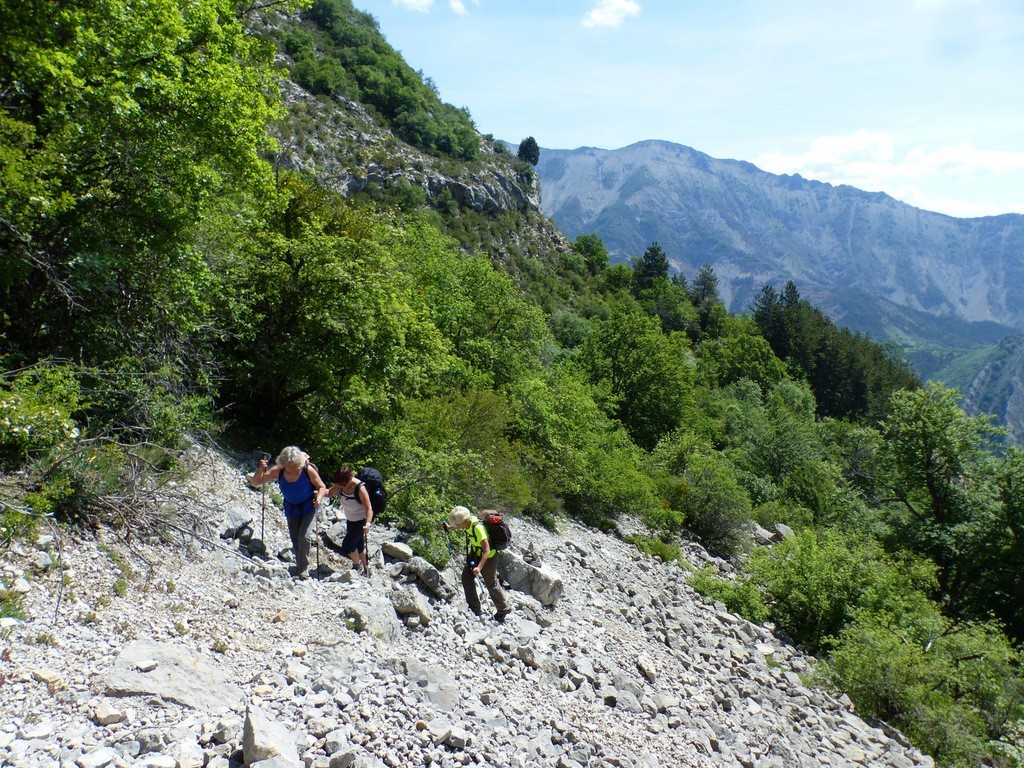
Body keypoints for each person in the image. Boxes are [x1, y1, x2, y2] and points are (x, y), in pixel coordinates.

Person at [251, 446, 326, 579]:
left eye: (296, 465)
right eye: (289, 466)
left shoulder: (307, 470)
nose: (293, 468)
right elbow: (256, 482)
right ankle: (299, 564)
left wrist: (319, 498)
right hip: (291, 507)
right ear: (283, 463)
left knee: (305, 536)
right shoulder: (278, 471)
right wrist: (261, 470)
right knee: (295, 538)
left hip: (309, 506)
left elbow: (321, 486)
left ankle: (303, 569)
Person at [444, 505, 511, 622]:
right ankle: (474, 608)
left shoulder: (478, 528)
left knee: (491, 582)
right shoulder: (467, 523)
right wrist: (448, 528)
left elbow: (487, 550)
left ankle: (503, 608)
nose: (457, 526)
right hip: (475, 553)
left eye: (457, 524)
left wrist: (479, 568)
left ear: (464, 521)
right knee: (466, 578)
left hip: (488, 557)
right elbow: (459, 527)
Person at [325, 466, 373, 576]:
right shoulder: (341, 484)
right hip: (350, 519)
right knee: (359, 546)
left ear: (350, 478)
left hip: (361, 521)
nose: (341, 486)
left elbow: (369, 508)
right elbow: (329, 493)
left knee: (347, 545)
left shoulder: (360, 488)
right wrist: (319, 493)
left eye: (343, 484)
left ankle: (357, 565)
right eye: (340, 484)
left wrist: (368, 524)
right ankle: (368, 569)